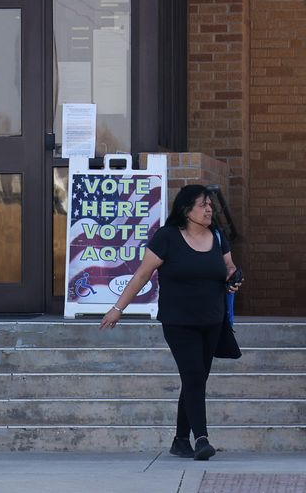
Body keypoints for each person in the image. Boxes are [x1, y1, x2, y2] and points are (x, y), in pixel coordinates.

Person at [99, 184, 242, 461]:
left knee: (196, 379)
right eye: (203, 205)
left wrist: (234, 279)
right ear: (186, 210)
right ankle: (201, 439)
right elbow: (141, 275)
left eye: (210, 204)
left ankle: (179, 440)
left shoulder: (218, 236)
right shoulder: (167, 237)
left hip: (212, 320)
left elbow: (228, 268)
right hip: (179, 322)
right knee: (193, 376)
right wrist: (118, 309)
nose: (209, 209)